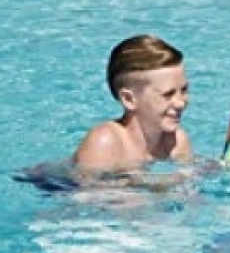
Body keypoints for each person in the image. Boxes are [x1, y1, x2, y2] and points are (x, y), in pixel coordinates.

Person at [73, 34, 192, 173]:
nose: (180, 103)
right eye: (168, 94)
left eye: (184, 90)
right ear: (129, 99)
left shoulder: (176, 141)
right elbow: (86, 186)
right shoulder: (105, 142)